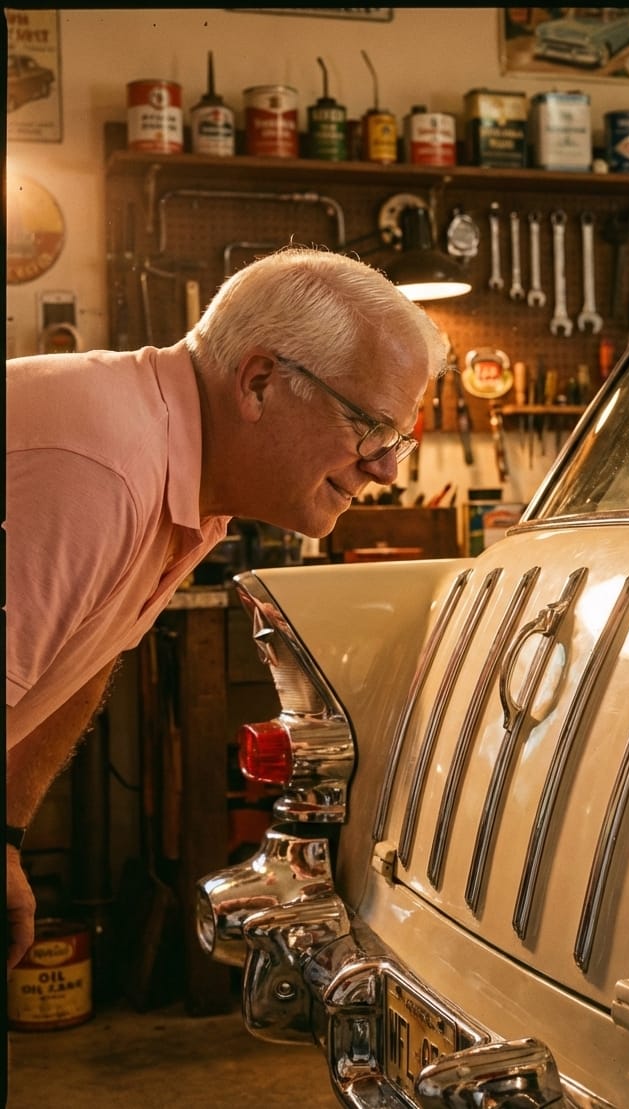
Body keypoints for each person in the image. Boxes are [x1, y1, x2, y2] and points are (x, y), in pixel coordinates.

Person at [5, 245, 446, 970]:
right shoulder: (107, 469)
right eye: (370, 426)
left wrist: (9, 832)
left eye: (399, 438)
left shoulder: (190, 480)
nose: (386, 468)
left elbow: (87, 653)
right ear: (261, 380)